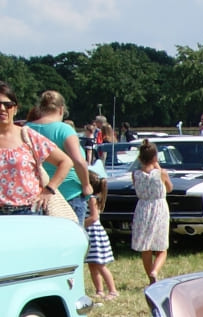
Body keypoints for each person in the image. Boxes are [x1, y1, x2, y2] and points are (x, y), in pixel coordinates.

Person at [0, 80, 71, 214]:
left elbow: (65, 162)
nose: (2, 109)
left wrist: (49, 190)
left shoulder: (27, 136)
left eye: (8, 105)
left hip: (27, 211)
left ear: (15, 109)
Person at [26, 90, 93, 223]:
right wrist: (86, 185)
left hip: (39, 194)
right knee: (73, 239)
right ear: (61, 110)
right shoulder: (64, 129)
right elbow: (78, 161)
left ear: (40, 108)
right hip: (68, 193)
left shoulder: (26, 129)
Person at [131, 139, 172, 283]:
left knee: (145, 247)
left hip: (142, 207)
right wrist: (158, 166)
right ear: (155, 157)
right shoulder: (161, 173)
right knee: (161, 247)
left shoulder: (135, 174)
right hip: (159, 207)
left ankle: (150, 277)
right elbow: (169, 188)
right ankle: (155, 271)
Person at [83, 170, 117, 299]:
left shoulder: (92, 199)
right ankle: (99, 290)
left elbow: (94, 217)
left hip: (94, 234)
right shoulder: (89, 198)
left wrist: (81, 224)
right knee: (92, 265)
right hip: (90, 233)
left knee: (100, 265)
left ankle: (113, 290)